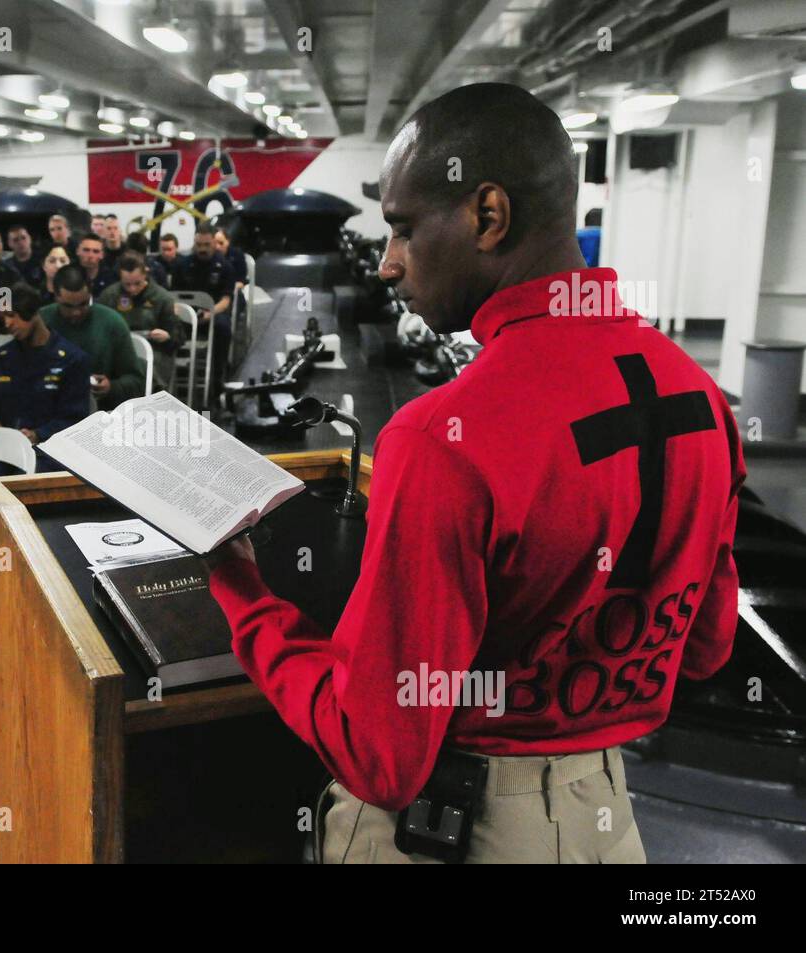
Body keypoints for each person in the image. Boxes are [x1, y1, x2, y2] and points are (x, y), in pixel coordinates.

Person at [205, 82, 745, 865]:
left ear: (486, 216)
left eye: (403, 228)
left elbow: (378, 756)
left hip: (456, 834)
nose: (389, 264)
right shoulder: (697, 395)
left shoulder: (441, 438)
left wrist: (244, 594)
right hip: (606, 823)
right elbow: (703, 649)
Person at [0, 282, 90, 527]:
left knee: (34, 478)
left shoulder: (72, 359)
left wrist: (37, 435)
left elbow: (75, 418)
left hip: (49, 451)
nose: (8, 324)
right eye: (2, 318)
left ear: (32, 312)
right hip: (3, 449)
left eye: (13, 316)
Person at [40, 264, 144, 411]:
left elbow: (137, 383)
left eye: (83, 304)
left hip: (100, 413)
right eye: (68, 306)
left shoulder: (112, 323)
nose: (76, 312)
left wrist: (111, 387)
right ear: (55, 296)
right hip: (48, 409)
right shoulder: (42, 321)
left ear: (91, 294)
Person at [98, 253, 182, 393]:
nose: (132, 289)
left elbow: (178, 337)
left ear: (145, 274)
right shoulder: (109, 295)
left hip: (154, 351)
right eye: (127, 284)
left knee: (143, 366)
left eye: (137, 283)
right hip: (118, 350)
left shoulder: (162, 298)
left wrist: (167, 337)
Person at [170, 223, 234, 386]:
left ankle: (218, 378)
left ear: (214, 242)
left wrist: (210, 314)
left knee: (223, 328)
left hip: (212, 315)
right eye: (199, 245)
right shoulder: (181, 265)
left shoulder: (225, 267)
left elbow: (226, 301)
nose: (202, 249)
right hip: (185, 316)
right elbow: (172, 297)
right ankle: (170, 379)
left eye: (206, 244)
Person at [73, 233, 116, 299]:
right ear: (77, 251)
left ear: (102, 255)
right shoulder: (68, 274)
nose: (90, 255)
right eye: (86, 250)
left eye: (96, 251)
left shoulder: (110, 278)